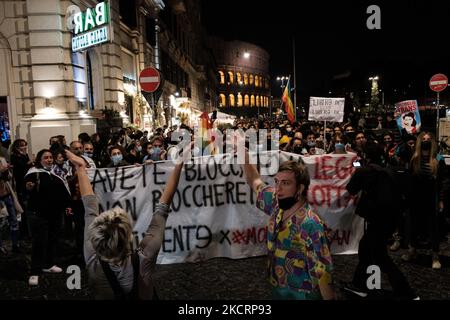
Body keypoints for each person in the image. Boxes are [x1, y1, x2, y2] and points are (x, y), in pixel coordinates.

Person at [65, 146, 185, 299]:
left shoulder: (92, 259)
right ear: (128, 236)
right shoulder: (144, 259)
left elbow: (90, 208)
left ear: (95, 239)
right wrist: (179, 163)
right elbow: (162, 208)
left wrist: (80, 168)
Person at [241, 150, 335, 300]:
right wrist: (242, 154)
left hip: (303, 294)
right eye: (276, 182)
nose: (278, 189)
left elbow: (323, 274)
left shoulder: (311, 224)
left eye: (285, 183)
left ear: (301, 188)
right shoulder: (276, 203)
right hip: (277, 287)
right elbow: (255, 181)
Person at [344, 141, 418, 300]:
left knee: (380, 256)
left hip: (378, 219)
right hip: (390, 218)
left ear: (365, 155)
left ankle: (407, 292)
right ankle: (359, 285)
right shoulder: (385, 169)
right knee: (366, 248)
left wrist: (356, 168)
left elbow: (351, 189)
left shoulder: (363, 171)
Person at [24, 149, 72, 286]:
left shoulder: (56, 173)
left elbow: (63, 191)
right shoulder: (34, 173)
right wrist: (28, 187)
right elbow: (26, 186)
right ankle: (35, 272)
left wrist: (67, 205)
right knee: (39, 243)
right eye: (46, 158)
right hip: (39, 215)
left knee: (52, 239)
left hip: (55, 214)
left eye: (51, 157)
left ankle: (48, 264)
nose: (49, 160)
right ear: (40, 160)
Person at [401, 132, 448, 269]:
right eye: (424, 139)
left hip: (431, 197)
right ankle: (413, 250)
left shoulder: (438, 159)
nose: (426, 141)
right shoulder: (414, 158)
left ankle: (435, 255)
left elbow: (443, 182)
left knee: (433, 227)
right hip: (416, 198)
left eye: (428, 139)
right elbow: (409, 179)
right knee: (414, 225)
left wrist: (441, 200)